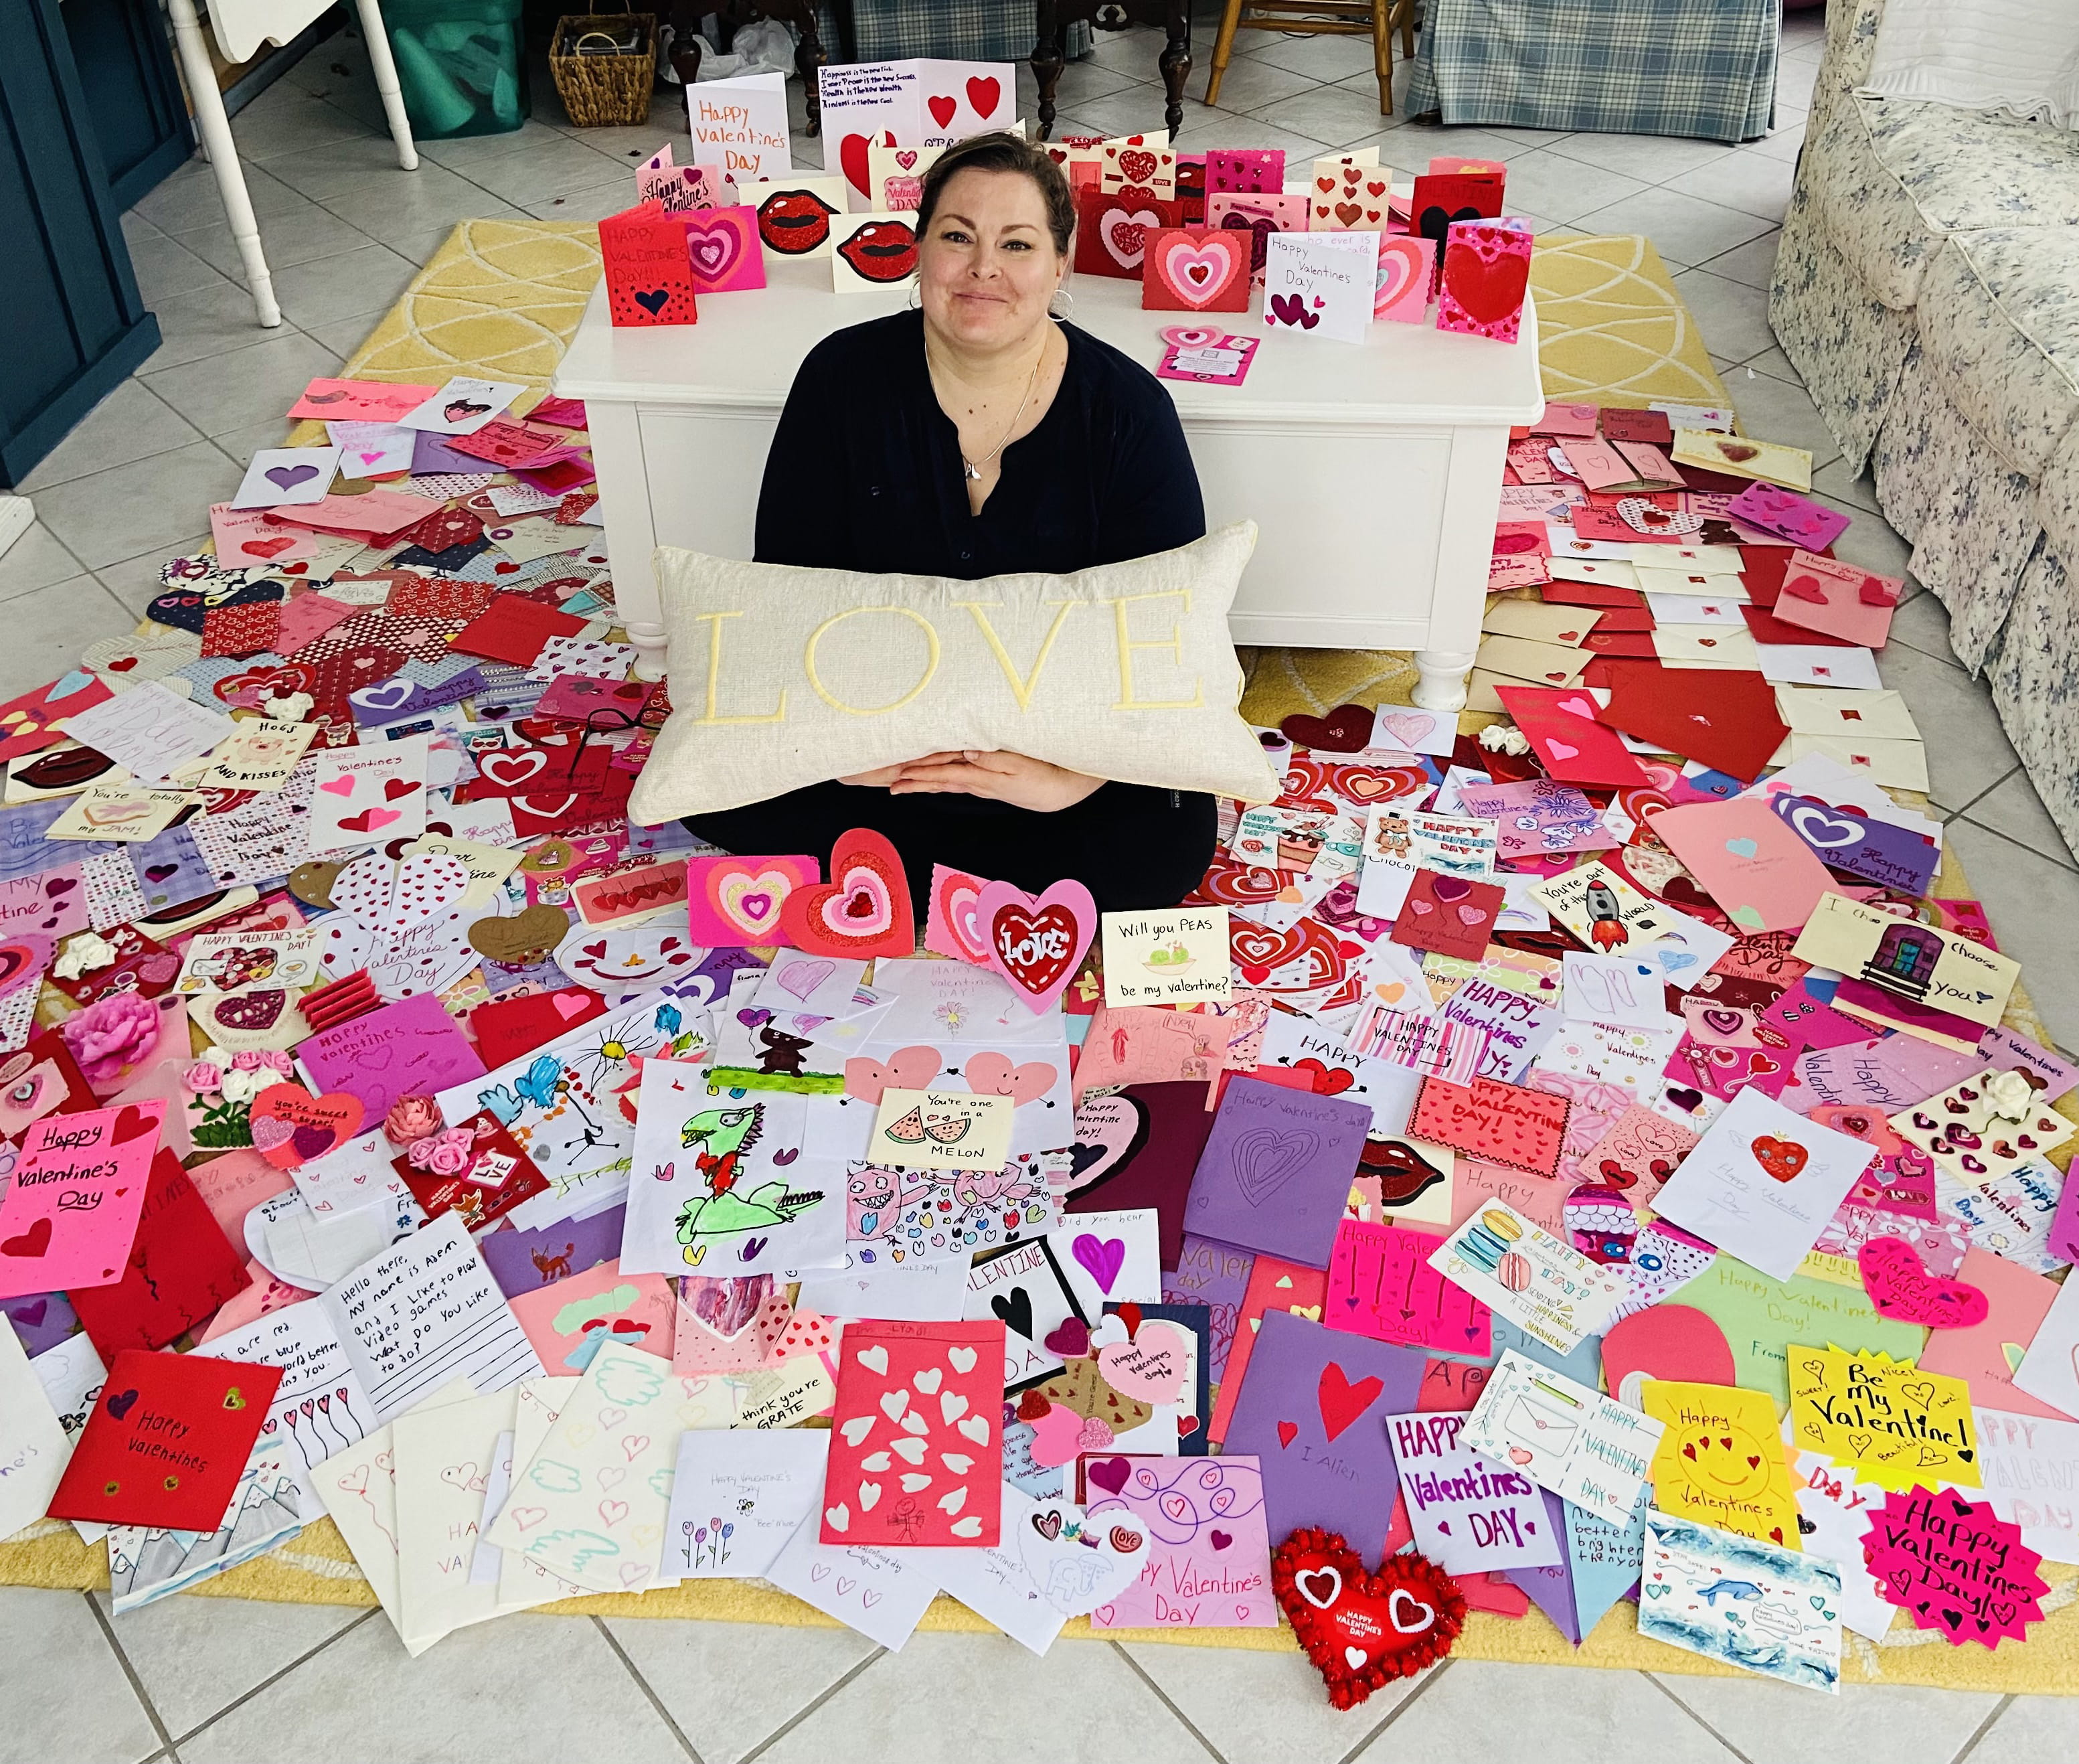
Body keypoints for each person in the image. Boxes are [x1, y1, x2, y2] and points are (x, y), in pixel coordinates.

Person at [680, 131, 1221, 914]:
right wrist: (843, 747)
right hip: (872, 740)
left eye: (1018, 243)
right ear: (919, 248)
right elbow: (789, 585)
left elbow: (1165, 630)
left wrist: (1069, 776)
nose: (983, 270)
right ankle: (976, 879)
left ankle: (909, 873)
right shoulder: (840, 378)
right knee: (719, 791)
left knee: (1159, 845)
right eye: (957, 237)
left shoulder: (1128, 411)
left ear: (1059, 265)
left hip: (1054, 746)